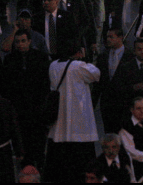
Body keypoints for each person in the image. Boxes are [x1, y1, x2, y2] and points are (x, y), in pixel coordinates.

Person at [44, 40, 100, 183]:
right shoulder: (79, 66)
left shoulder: (52, 66)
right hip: (78, 124)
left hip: (58, 123)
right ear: (77, 53)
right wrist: (84, 59)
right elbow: (96, 74)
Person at [0, 28, 49, 169]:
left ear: (29, 42)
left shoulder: (40, 57)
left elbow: (45, 83)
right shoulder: (10, 60)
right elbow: (6, 86)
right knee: (23, 143)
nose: (20, 44)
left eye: (23, 41)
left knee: (38, 143)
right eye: (17, 42)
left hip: (36, 107)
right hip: (19, 109)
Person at [93, 28, 134, 133]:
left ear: (120, 38)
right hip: (107, 104)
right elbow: (98, 83)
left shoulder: (130, 56)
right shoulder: (103, 57)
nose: (108, 39)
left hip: (123, 104)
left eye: (111, 37)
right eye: (107, 37)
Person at [0, 78, 23, 184]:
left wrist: (18, 150)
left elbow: (13, 129)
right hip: (3, 149)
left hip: (3, 151)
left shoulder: (5, 105)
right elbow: (14, 129)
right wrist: (19, 151)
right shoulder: (5, 105)